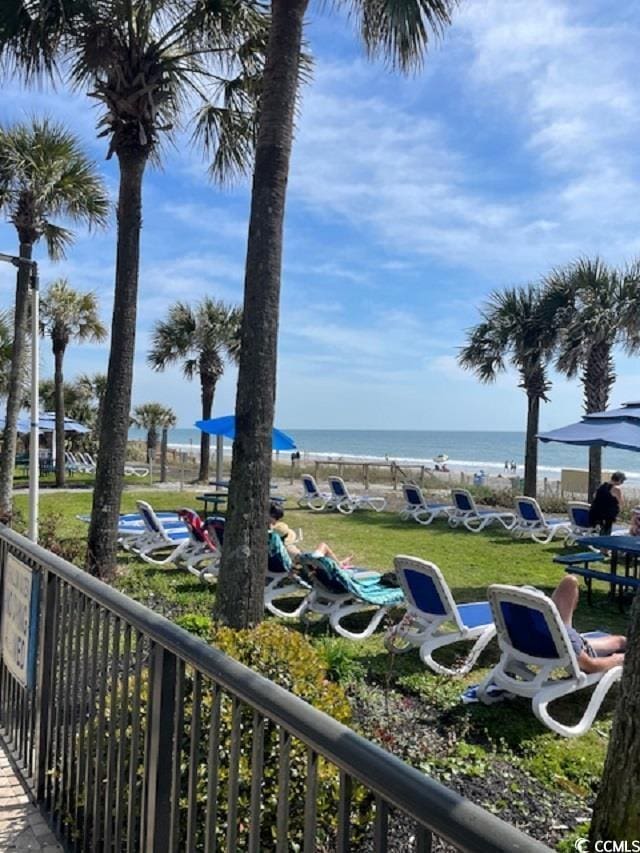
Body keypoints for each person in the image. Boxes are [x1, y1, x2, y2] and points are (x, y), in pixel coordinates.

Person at [552, 575, 626, 673]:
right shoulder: (566, 637)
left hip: (553, 641)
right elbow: (591, 665)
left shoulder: (540, 620)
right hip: (569, 647)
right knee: (621, 642)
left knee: (621, 641)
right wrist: (618, 659)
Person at [268, 503, 353, 566]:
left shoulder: (272, 540)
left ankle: (339, 563)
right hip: (304, 561)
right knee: (323, 546)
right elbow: (296, 557)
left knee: (320, 552)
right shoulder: (283, 546)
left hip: (299, 559)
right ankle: (339, 565)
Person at [589, 470, 626, 535]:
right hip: (607, 516)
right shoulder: (616, 489)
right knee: (606, 533)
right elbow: (621, 503)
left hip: (595, 513)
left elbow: (594, 495)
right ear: (619, 480)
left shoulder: (602, 486)